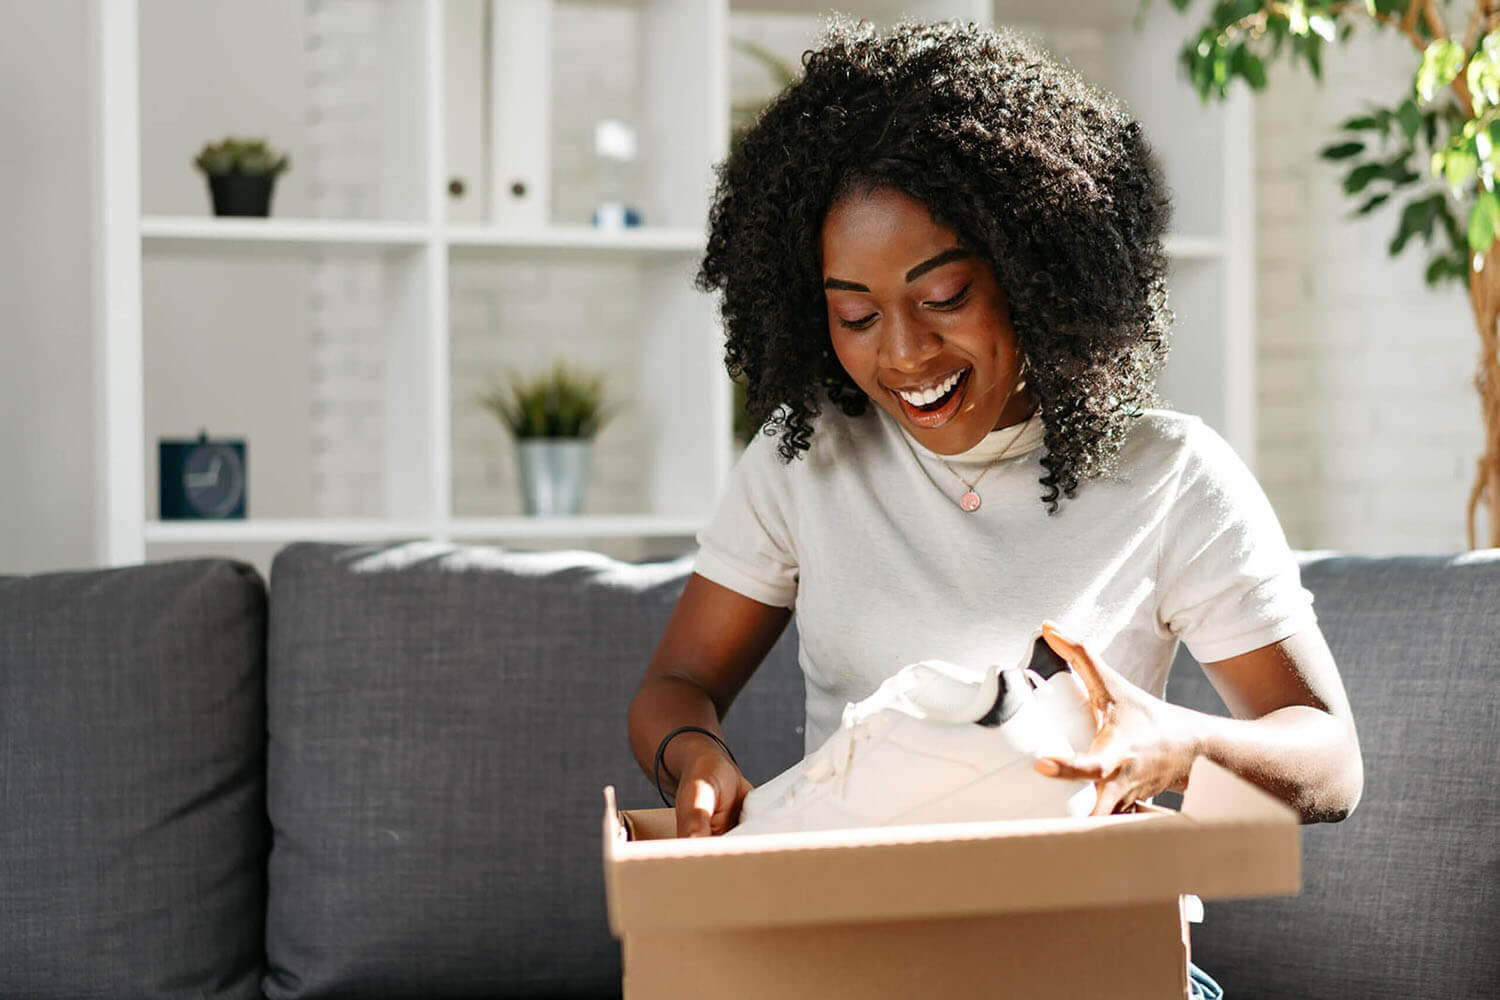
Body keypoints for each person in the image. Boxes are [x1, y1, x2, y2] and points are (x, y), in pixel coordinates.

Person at [627, 17, 1363, 997]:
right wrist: (695, 759)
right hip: (852, 953)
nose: (902, 354)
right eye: (855, 314)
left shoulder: (1173, 478)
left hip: (1092, 958)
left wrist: (1175, 743)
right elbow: (676, 683)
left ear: (1033, 268)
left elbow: (1329, 758)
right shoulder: (807, 461)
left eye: (945, 296)